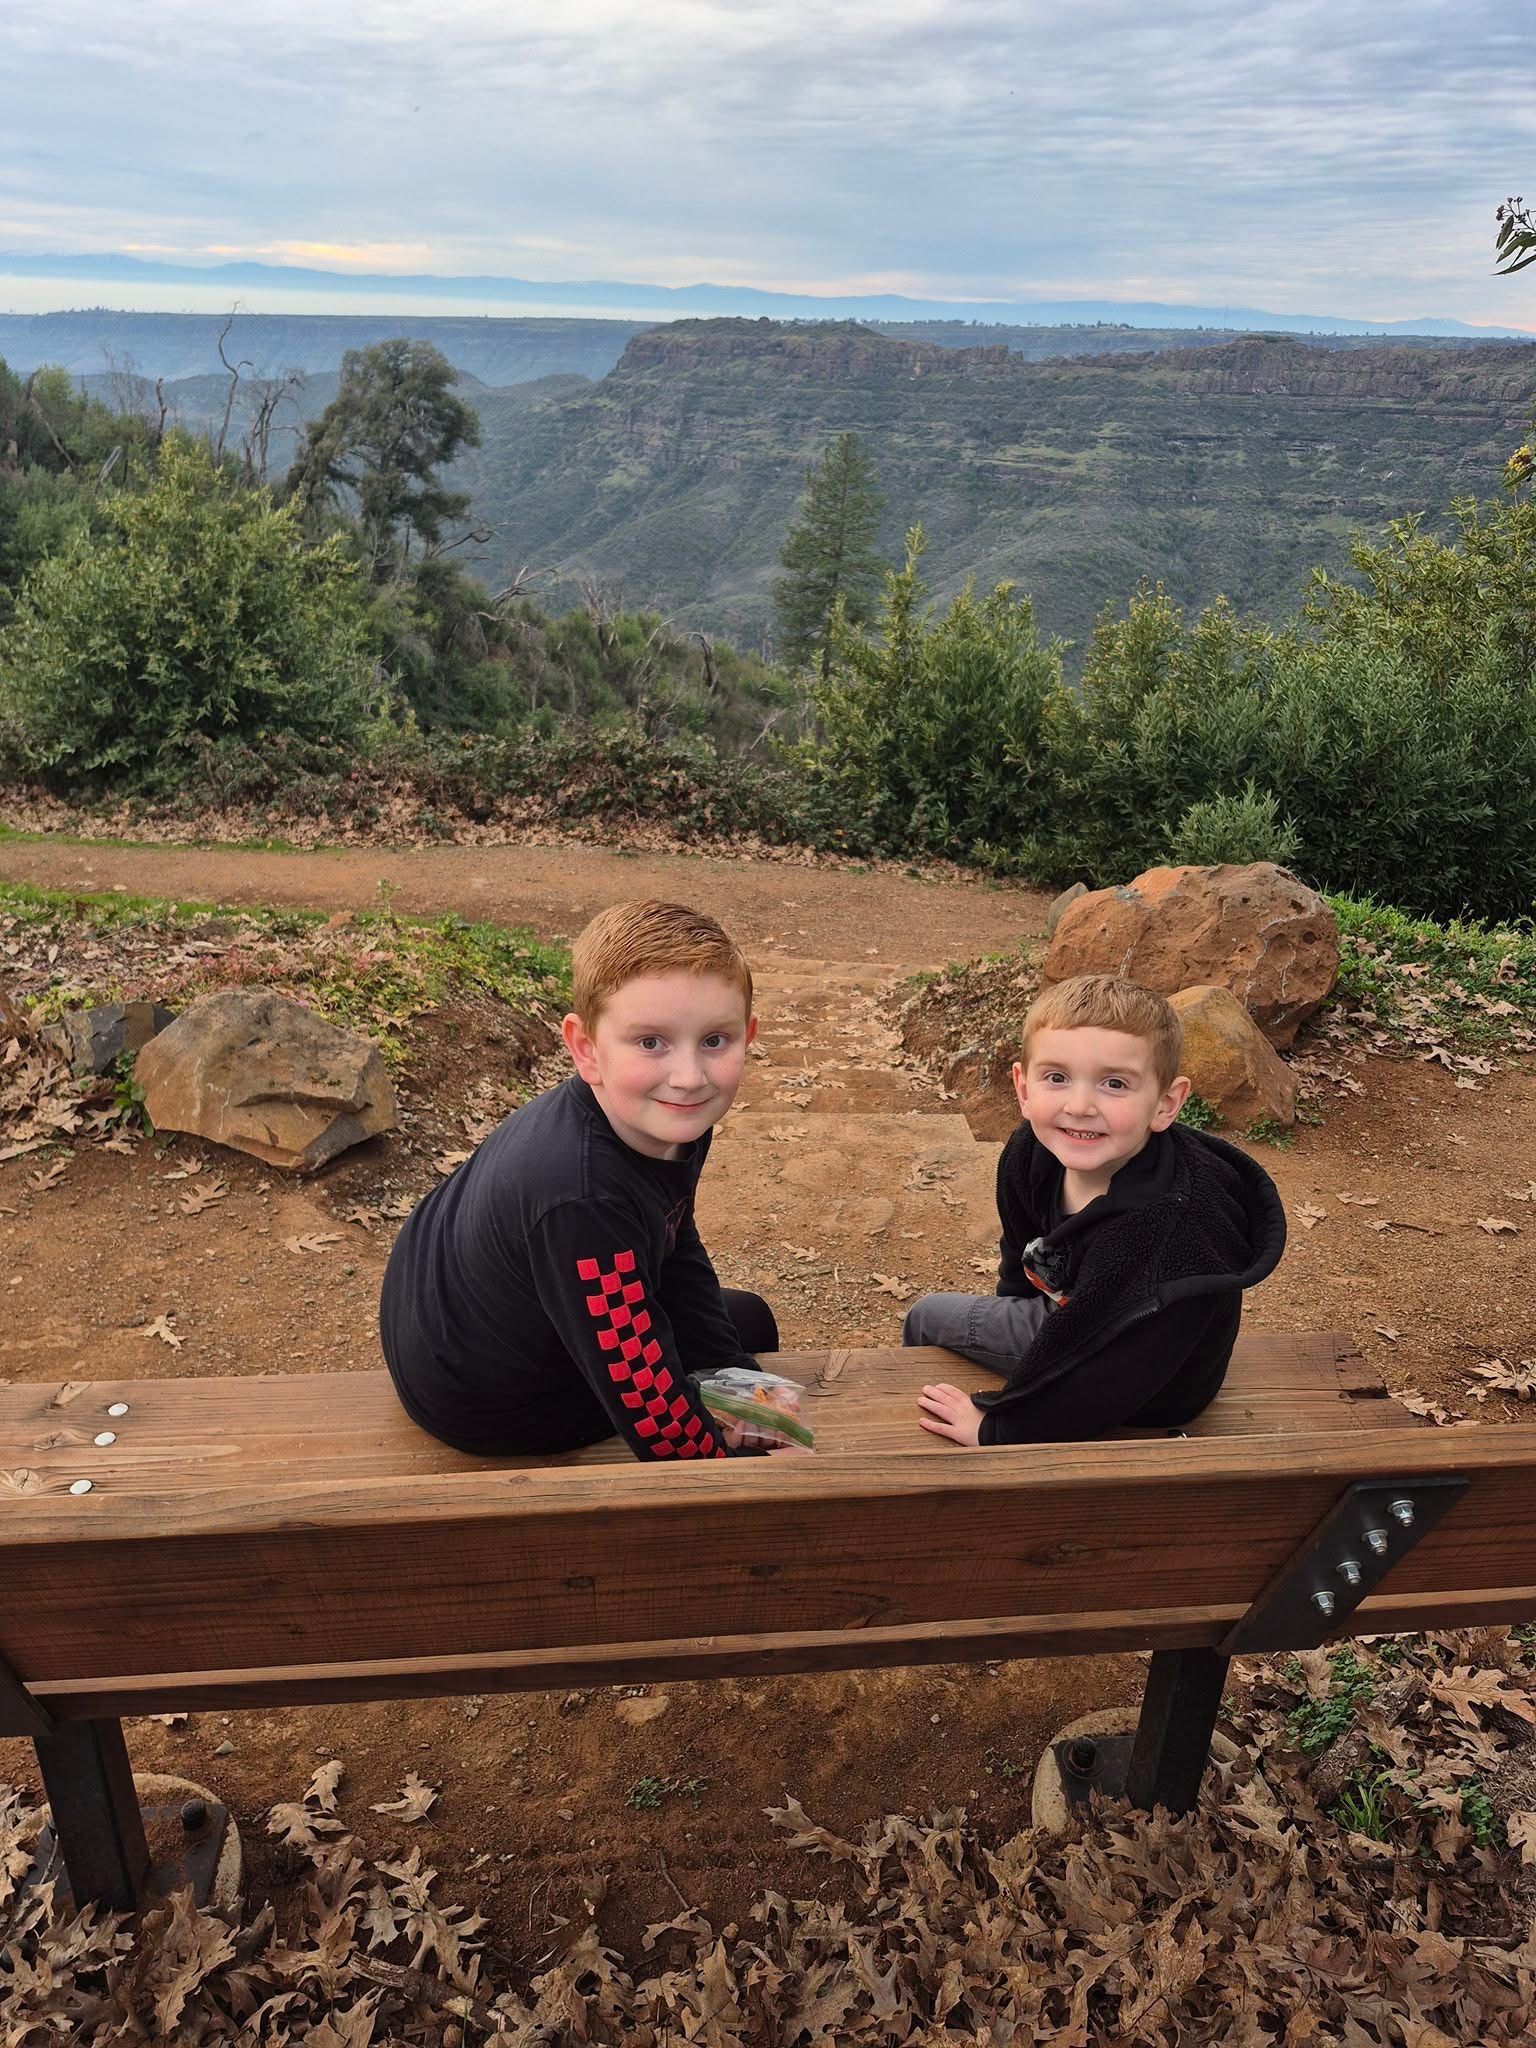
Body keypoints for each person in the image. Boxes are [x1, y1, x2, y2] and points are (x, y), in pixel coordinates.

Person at [380, 899, 779, 1461]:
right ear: (585, 1050)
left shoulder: (664, 1118)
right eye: (650, 1042)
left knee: (747, 1328)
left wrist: (741, 1383)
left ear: (747, 1035)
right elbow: (662, 1428)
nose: (689, 1077)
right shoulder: (580, 1196)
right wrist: (762, 1467)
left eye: (715, 1040)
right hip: (483, 1395)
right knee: (726, 1394)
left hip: (457, 1307)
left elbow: (673, 1234)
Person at [904, 973, 1286, 1447]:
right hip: (1078, 1317)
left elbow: (1115, 1380)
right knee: (976, 1317)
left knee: (925, 1317)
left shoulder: (1168, 1235)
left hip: (1153, 1387)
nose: (1080, 1105)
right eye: (1057, 1078)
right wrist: (1017, 1323)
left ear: (1166, 1103)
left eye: (1114, 1083)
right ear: (1023, 1088)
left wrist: (999, 1427)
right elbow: (1019, 1250)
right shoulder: (1030, 1153)